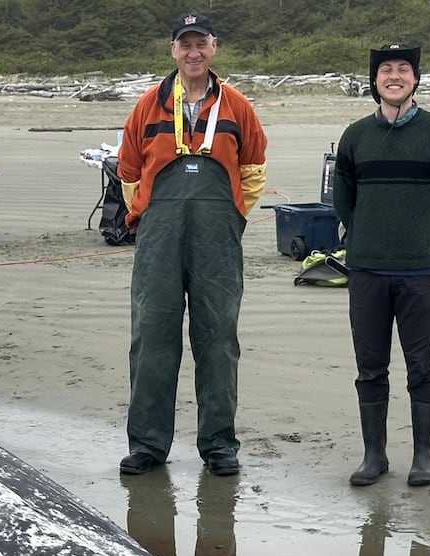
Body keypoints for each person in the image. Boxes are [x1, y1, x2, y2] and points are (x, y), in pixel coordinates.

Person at [115, 12, 268, 477]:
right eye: (186, 45)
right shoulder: (147, 106)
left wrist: (233, 216)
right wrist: (146, 214)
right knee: (152, 339)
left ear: (214, 48)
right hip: (159, 241)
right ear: (173, 50)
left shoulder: (238, 106)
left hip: (217, 241)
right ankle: (147, 445)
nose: (193, 52)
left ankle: (219, 445)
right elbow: (127, 171)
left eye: (201, 44)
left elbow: (254, 170)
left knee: (218, 340)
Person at [333, 43, 430, 487]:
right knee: (370, 365)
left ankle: (423, 457)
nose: (395, 75)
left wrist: (426, 239)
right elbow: (343, 200)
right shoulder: (355, 136)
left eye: (403, 69)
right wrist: (370, 238)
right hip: (367, 268)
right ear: (375, 81)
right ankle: (374, 455)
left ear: (415, 78)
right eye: (386, 70)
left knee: (421, 364)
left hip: (421, 269)